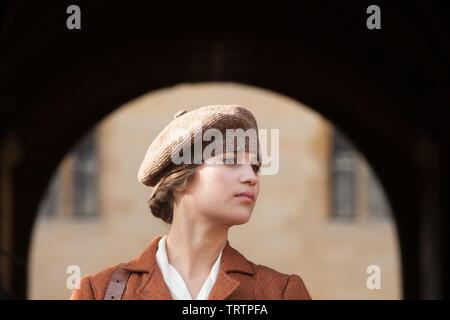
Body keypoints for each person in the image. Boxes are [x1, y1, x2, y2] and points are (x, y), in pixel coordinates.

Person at [71, 104, 311, 300]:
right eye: (230, 161)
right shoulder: (99, 292)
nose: (251, 178)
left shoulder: (280, 293)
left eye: (255, 167)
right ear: (181, 178)